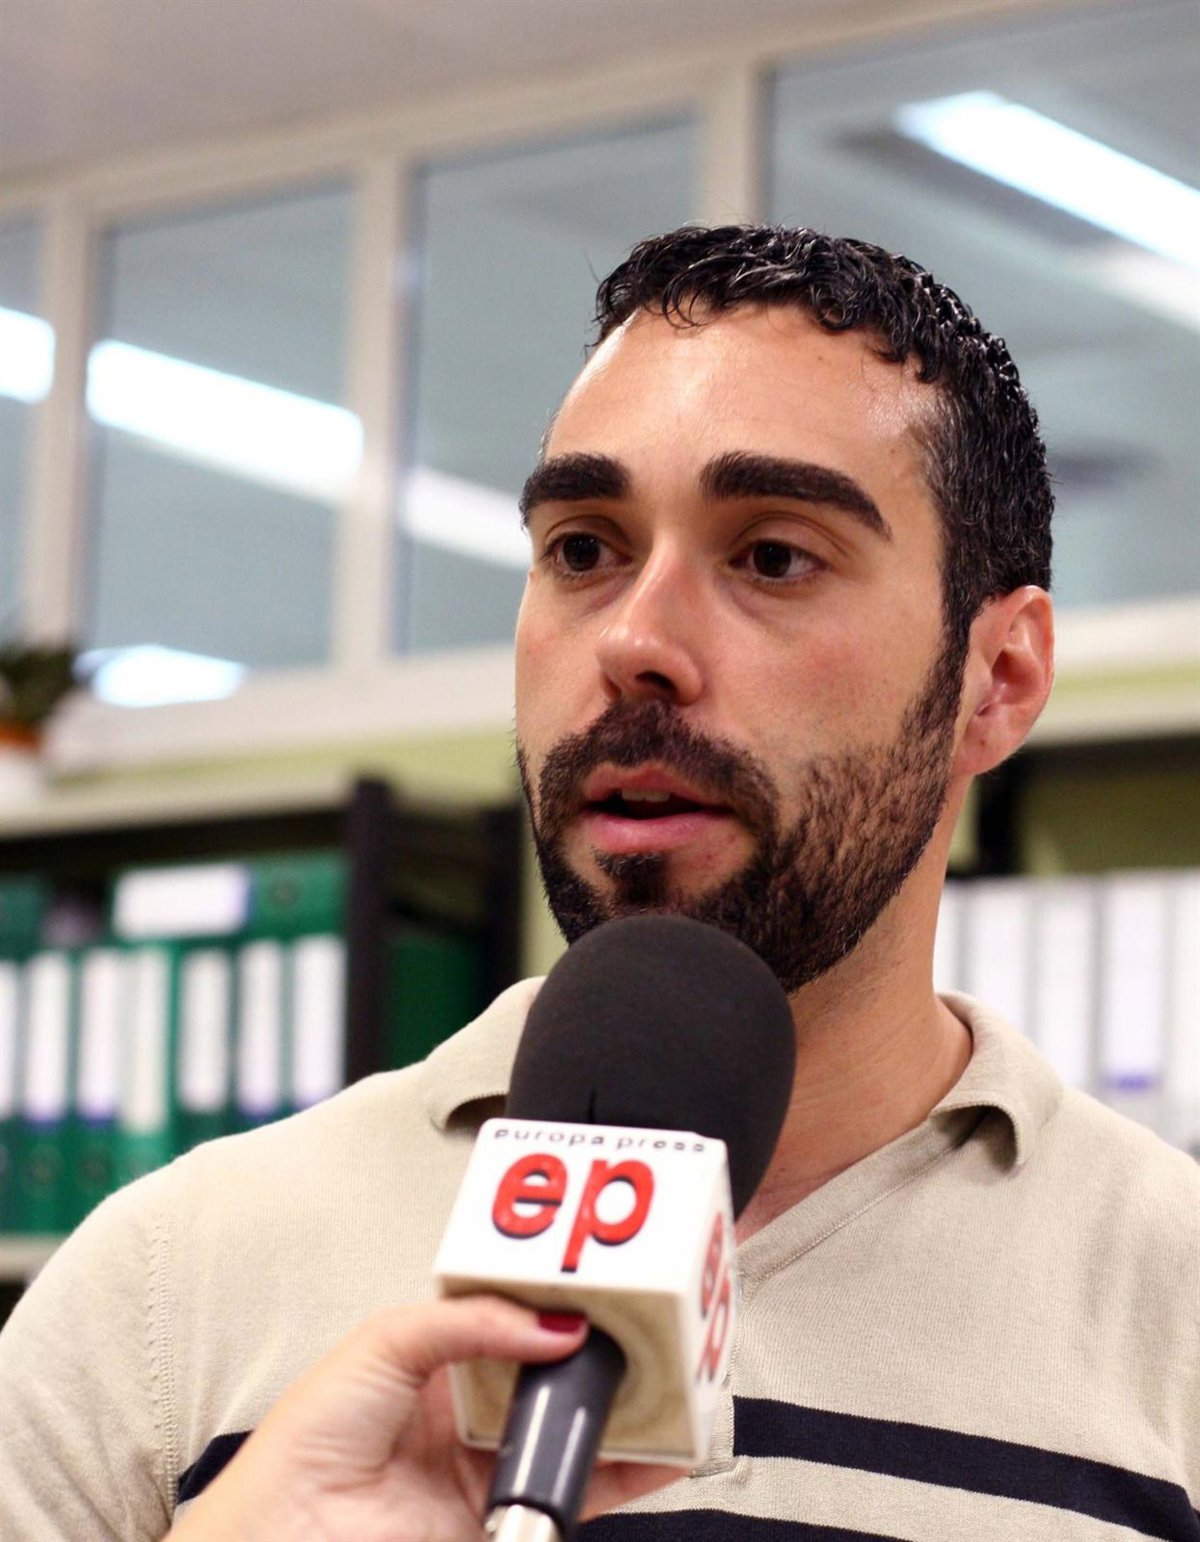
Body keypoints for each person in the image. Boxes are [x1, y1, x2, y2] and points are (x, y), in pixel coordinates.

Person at [1, 225, 1197, 1541]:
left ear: (1000, 677)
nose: (635, 640)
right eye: (583, 549)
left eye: (773, 555)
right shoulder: (166, 1289)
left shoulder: (1175, 1310)